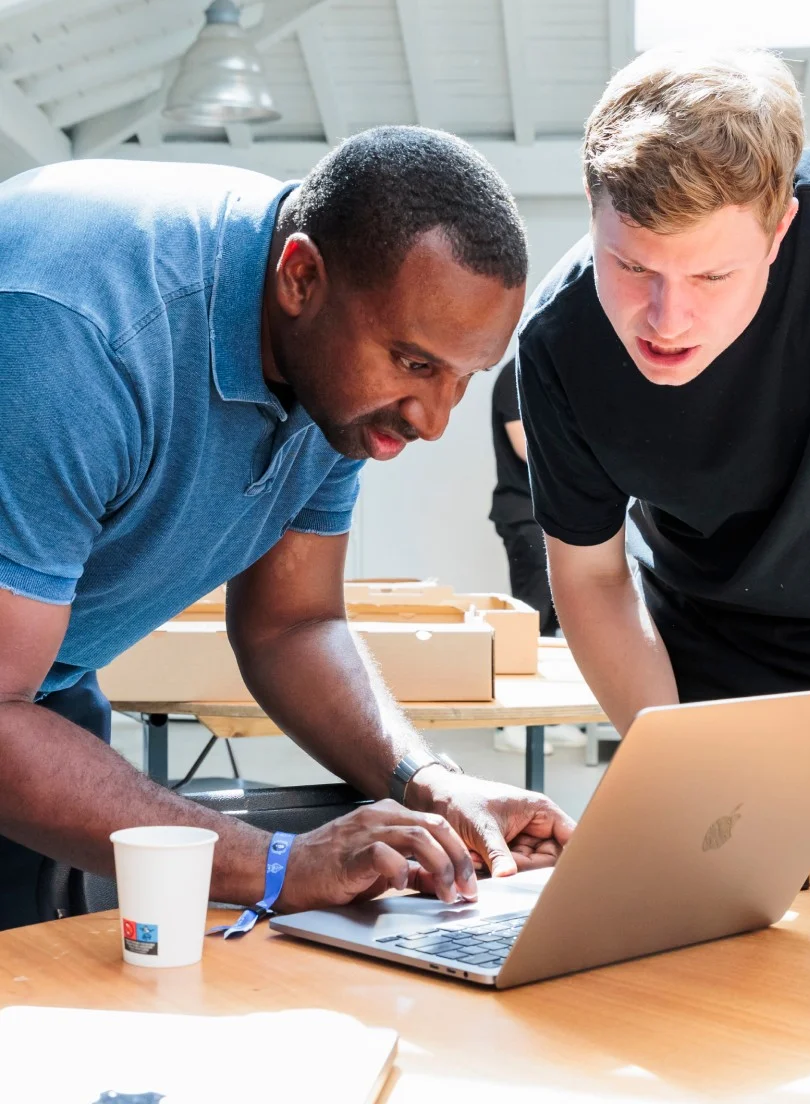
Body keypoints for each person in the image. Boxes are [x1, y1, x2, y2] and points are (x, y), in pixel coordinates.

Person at [0, 126, 574, 931]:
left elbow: (292, 625)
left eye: (463, 379)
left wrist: (432, 782)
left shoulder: (333, 372)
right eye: (414, 363)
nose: (434, 420)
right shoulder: (77, 336)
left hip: (38, 691)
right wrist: (277, 864)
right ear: (300, 277)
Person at [518, 43, 810, 864]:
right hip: (712, 642)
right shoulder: (558, 344)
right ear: (590, 203)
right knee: (701, 924)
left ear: (782, 226)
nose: (665, 320)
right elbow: (592, 577)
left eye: (712, 276)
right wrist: (672, 767)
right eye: (632, 265)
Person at [490, 357, 558, 636]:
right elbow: (526, 449)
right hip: (526, 515)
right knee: (534, 616)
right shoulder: (517, 374)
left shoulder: (561, 375)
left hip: (555, 516)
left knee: (558, 618)